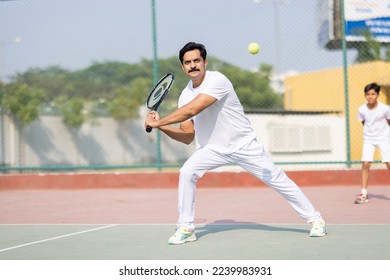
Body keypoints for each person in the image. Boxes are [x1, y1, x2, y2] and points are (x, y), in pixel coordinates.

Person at [145, 42, 326, 245]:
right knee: (187, 172)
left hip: (243, 144)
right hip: (212, 149)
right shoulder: (185, 95)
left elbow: (192, 110)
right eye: (188, 62)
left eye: (197, 60)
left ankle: (315, 220)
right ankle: (186, 227)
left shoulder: (217, 80)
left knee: (278, 180)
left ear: (204, 62)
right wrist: (161, 127)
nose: (193, 65)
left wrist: (159, 121)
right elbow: (187, 136)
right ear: (183, 67)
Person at [356, 83, 390, 204]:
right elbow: (364, 123)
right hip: (368, 139)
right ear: (365, 95)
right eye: (368, 94)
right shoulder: (361, 109)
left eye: (373, 94)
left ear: (378, 95)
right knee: (366, 164)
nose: (370, 96)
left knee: (389, 164)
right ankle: (364, 194)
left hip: (384, 138)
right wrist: (371, 133)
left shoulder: (385, 109)